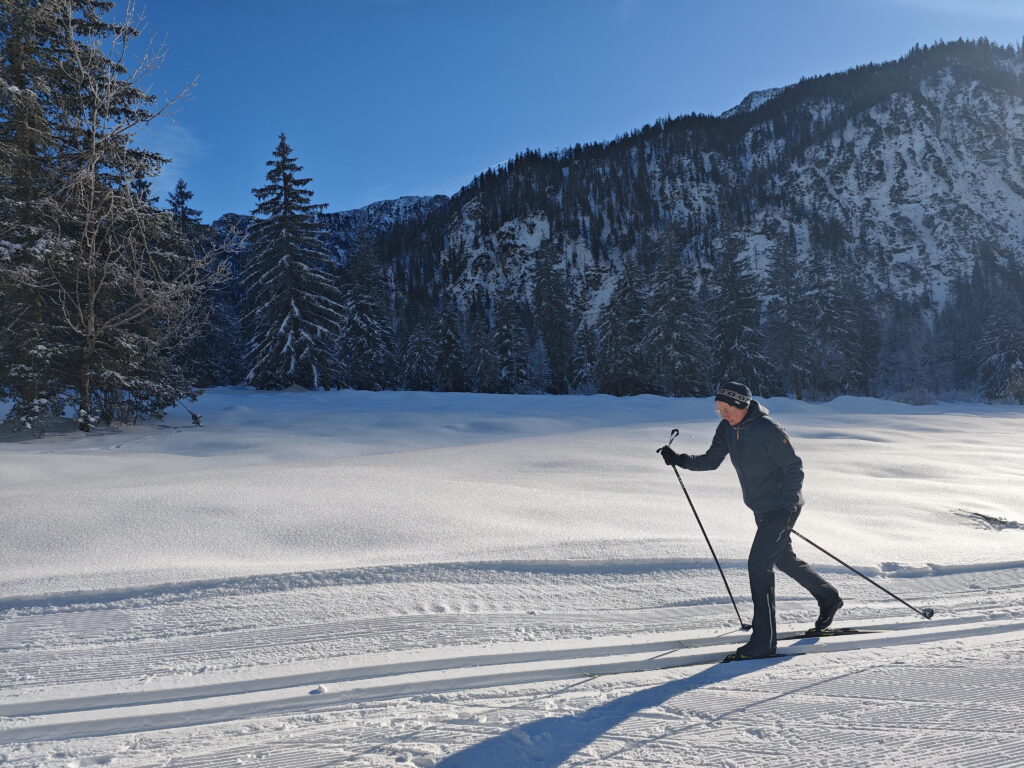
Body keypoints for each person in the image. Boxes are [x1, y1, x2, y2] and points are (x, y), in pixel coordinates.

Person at [659, 381, 843, 660]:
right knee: (782, 559)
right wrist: (680, 459)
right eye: (718, 409)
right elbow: (711, 460)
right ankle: (828, 597)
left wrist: (786, 506)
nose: (722, 414)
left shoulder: (768, 429)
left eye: (726, 409)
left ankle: (763, 641)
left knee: (759, 565)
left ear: (742, 405)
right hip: (762, 508)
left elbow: (794, 468)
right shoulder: (727, 429)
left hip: (783, 507)